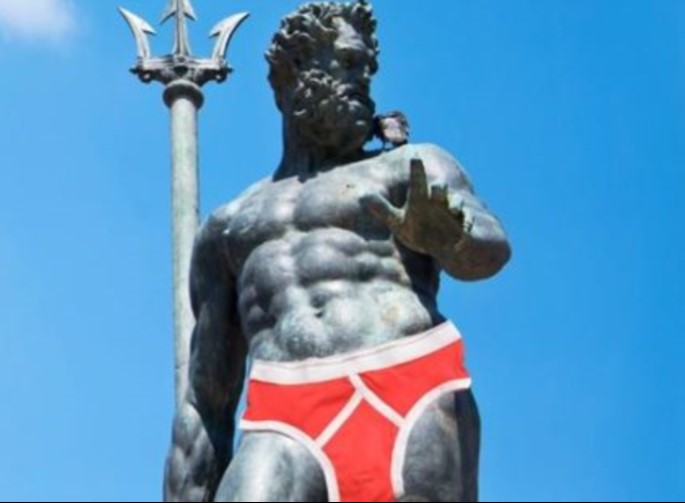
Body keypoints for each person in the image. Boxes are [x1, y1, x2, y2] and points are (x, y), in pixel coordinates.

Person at [164, 2, 511, 502]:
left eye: (367, 66)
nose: (362, 77)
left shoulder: (410, 167)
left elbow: (491, 248)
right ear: (294, 70)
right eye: (348, 61)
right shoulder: (228, 227)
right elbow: (206, 403)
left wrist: (451, 238)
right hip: (284, 417)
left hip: (412, 385)